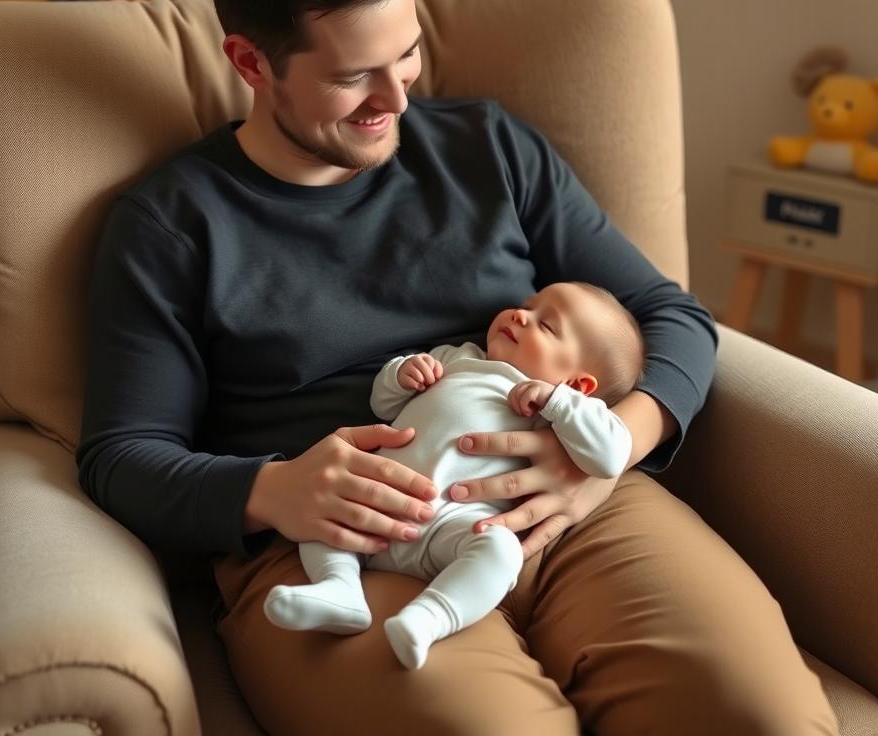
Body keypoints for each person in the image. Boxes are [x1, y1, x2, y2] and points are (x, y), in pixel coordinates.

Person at [77, 0, 838, 734]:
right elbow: (120, 456)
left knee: (762, 715)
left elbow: (672, 317)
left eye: (407, 54)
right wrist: (274, 491)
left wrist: (611, 451)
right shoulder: (173, 225)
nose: (398, 101)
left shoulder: (488, 148)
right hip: (343, 558)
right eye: (355, 76)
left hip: (565, 506)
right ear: (252, 62)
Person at [264, 281, 641, 670]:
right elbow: (383, 402)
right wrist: (402, 374)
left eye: (546, 326)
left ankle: (429, 618)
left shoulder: (563, 409)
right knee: (322, 511)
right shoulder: (456, 357)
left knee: (501, 551)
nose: (520, 315)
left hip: (456, 523)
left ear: (580, 383)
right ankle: (339, 588)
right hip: (378, 499)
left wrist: (558, 401)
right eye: (528, 305)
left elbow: (609, 457)